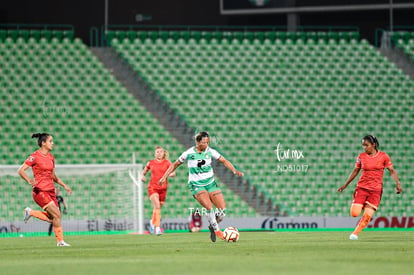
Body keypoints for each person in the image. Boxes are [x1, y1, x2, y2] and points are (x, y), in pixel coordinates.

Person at [159, 131, 244, 242]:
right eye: (204, 142)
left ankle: (212, 226)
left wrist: (234, 170)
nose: (207, 144)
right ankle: (219, 232)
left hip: (211, 183)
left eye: (208, 142)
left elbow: (223, 160)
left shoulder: (210, 151)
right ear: (197, 142)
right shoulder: (188, 153)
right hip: (196, 185)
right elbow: (174, 164)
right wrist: (164, 177)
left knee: (222, 211)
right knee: (209, 207)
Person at [338, 135, 402, 240]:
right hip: (362, 188)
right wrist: (345, 185)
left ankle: (354, 233)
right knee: (354, 213)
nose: (364, 147)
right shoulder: (361, 157)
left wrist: (398, 184)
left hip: (376, 190)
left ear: (374, 145)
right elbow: (355, 171)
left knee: (367, 216)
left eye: (366, 145)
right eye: (363, 145)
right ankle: (363, 204)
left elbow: (392, 171)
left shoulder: (383, 156)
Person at [18, 133, 72, 246]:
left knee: (54, 219)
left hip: (51, 190)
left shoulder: (51, 157)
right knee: (57, 215)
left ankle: (30, 212)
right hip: (40, 191)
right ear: (43, 143)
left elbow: (53, 176)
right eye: (50, 141)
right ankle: (60, 241)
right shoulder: (34, 156)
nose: (52, 143)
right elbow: (21, 170)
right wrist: (29, 181)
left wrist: (64, 185)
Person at [141, 146, 176, 235]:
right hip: (152, 188)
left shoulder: (167, 163)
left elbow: (173, 172)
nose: (159, 153)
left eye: (161, 152)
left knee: (158, 207)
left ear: (164, 153)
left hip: (163, 189)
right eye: (157, 152)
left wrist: (170, 174)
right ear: (154, 153)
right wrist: (142, 176)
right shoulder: (150, 163)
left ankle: (152, 222)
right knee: (157, 206)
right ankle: (157, 228)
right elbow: (144, 172)